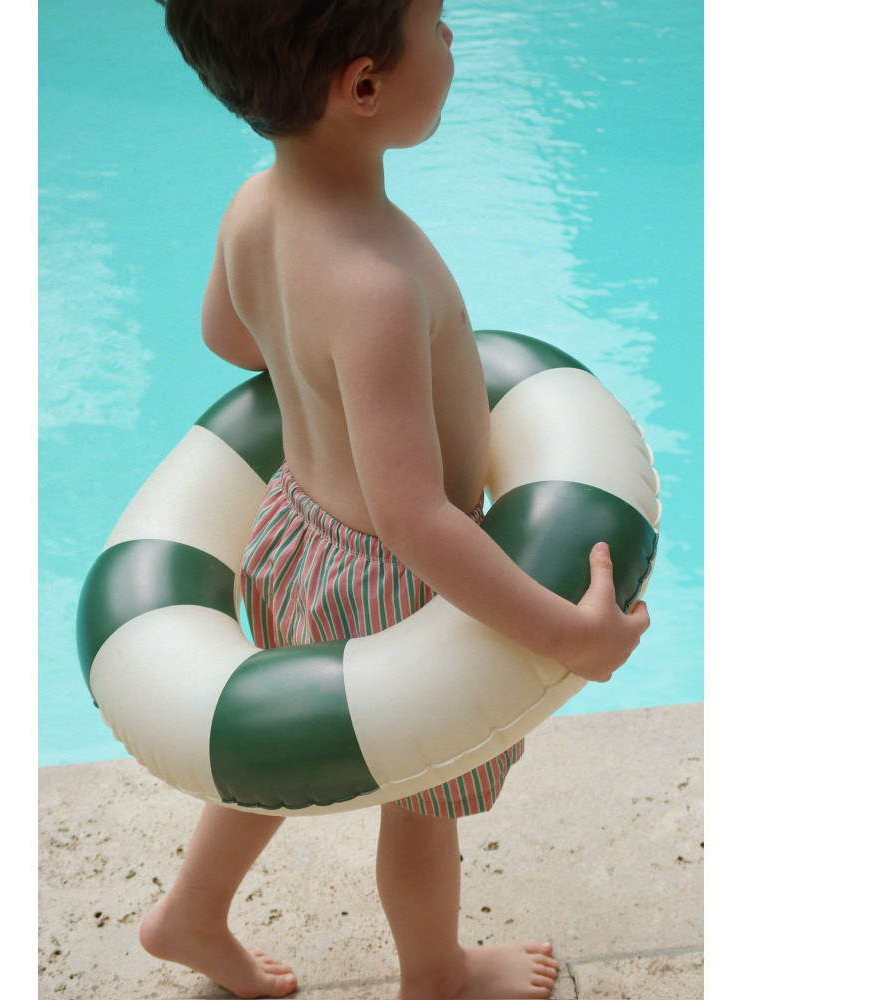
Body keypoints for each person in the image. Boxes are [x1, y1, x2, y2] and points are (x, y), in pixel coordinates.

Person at [139, 2, 650, 997]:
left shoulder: (253, 207)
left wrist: (314, 370)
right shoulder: (375, 283)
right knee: (423, 800)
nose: (453, 35)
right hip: (387, 582)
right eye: (438, 20)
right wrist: (566, 636)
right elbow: (416, 519)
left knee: (275, 743)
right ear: (364, 85)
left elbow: (228, 335)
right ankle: (436, 972)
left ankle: (190, 913)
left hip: (292, 537)